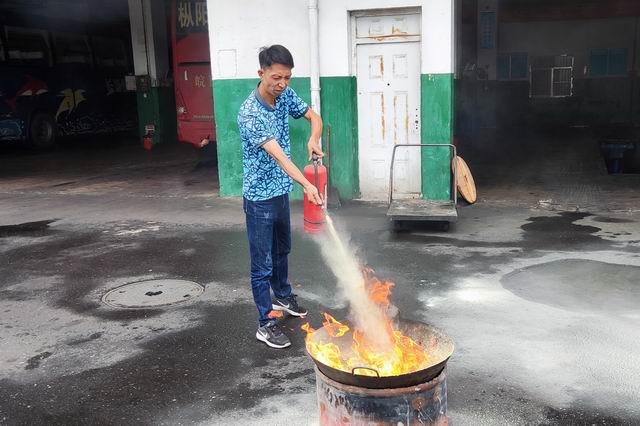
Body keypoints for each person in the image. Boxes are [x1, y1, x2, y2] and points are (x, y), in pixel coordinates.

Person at [237, 45, 324, 349]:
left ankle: (283, 296)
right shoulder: (250, 113)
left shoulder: (284, 94)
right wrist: (307, 185)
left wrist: (313, 138)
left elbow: (314, 117)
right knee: (261, 265)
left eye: (287, 77)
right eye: (276, 77)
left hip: (280, 192)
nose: (283, 83)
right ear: (261, 73)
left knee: (282, 249)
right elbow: (280, 157)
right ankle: (265, 323)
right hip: (259, 198)